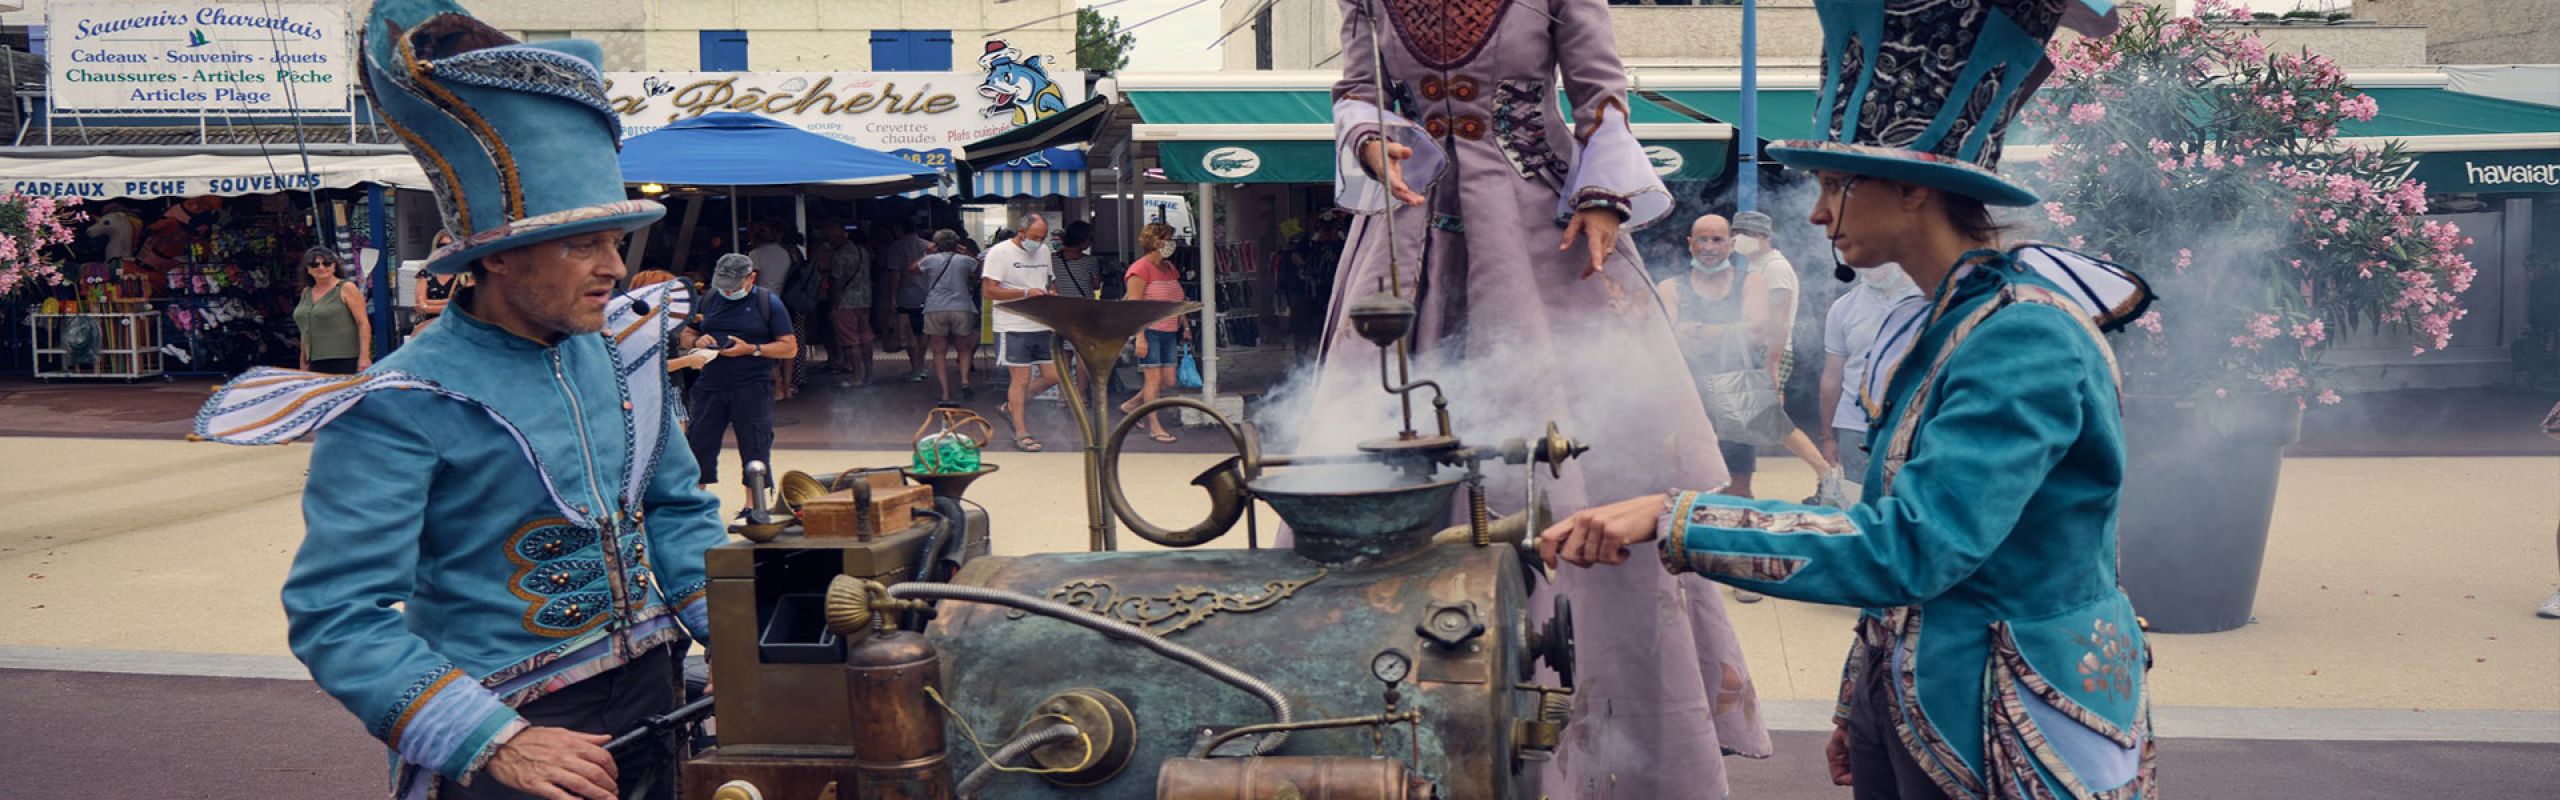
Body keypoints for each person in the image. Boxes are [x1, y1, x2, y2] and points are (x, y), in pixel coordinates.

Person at [1539, 2, 2155, 797]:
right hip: (1928, 711)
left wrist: (1675, 516)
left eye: (1837, 184)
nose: (1819, 211)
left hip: (2015, 727)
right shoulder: (1945, 321)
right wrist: (1862, 703)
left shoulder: (2024, 338)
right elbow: (1903, 552)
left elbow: (1911, 548)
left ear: (1912, 190)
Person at [190, 3, 724, 796]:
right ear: (499, 257)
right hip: (515, 731)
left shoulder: (620, 354)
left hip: (658, 698)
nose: (614, 268)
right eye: (583, 243)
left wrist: (739, 638)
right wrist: (496, 741)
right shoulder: (402, 399)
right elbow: (338, 614)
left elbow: (675, 508)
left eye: (616, 242)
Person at [1309, 0, 1770, 795]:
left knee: (1590, 460)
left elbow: (1600, 93)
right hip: (1408, 237)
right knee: (1369, 449)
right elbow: (1356, 89)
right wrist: (1370, 138)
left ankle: (1588, 742)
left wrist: (1601, 196)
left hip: (1546, 235)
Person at [685, 254, 799, 509]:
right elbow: (688, 332)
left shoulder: (768, 302)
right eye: (723, 285)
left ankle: (753, 506)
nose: (728, 291)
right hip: (710, 384)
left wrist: (752, 349)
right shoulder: (710, 298)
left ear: (751, 278)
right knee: (699, 443)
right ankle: (696, 504)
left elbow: (789, 347)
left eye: (734, 286)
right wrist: (696, 341)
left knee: (755, 444)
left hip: (753, 384)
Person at [1820, 261, 1923, 498]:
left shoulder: (1929, 301)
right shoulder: (1843, 308)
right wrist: (1828, 437)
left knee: (1909, 502)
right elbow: (1832, 375)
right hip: (1855, 427)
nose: (1873, 267)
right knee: (1861, 502)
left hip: (1912, 424)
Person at [983, 214, 1058, 451]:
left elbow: (1049, 281)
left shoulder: (1044, 251)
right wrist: (1025, 293)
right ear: (1021, 232)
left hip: (1042, 323)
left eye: (1043, 238)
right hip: (1012, 324)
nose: (1038, 242)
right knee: (1021, 379)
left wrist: (1051, 294)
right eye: (1035, 237)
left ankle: (1011, 406)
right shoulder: (999, 253)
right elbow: (989, 291)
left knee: (1053, 377)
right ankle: (1021, 432)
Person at [1119, 222, 1186, 443]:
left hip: (1169, 330)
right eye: (1168, 239)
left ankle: (1131, 406)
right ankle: (1154, 426)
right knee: (1153, 380)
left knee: (1167, 380)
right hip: (1150, 331)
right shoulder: (1139, 270)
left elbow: (1178, 299)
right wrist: (1140, 337)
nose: (1172, 244)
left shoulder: (1170, 268)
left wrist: (1185, 324)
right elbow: (1134, 307)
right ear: (1157, 242)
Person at [915, 229, 982, 403]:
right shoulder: (964, 260)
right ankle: (965, 381)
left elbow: (912, 269)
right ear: (956, 244)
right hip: (962, 307)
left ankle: (945, 393)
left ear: (936, 244)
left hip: (935, 308)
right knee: (964, 348)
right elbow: (979, 267)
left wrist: (927, 252)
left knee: (939, 351)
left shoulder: (930, 260)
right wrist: (965, 251)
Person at [293, 246, 371, 374]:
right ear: (308, 269)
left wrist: (364, 357)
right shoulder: (306, 292)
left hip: (344, 359)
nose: (321, 267)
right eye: (315, 264)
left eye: (327, 263)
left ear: (334, 266)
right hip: (314, 360)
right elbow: (305, 329)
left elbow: (363, 323)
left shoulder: (346, 288)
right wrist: (303, 360)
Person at [822, 224, 875, 385]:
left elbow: (836, 284)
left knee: (851, 341)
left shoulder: (839, 256)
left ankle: (857, 377)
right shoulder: (863, 251)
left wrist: (834, 306)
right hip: (864, 300)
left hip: (845, 302)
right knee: (866, 337)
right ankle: (869, 374)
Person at [885, 225, 933, 383]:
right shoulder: (928, 246)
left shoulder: (896, 247)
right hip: (927, 295)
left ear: (899, 229)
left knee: (909, 333)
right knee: (923, 332)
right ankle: (922, 365)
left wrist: (892, 297)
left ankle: (915, 368)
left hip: (906, 295)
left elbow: (895, 274)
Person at [413, 230, 467, 333]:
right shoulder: (425, 273)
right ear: (436, 248)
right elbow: (419, 304)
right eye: (442, 245)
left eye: (451, 245)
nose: (446, 249)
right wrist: (449, 302)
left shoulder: (464, 274)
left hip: (455, 328)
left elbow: (463, 308)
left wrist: (427, 305)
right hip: (427, 328)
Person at [1052, 220, 1103, 299]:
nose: (1092, 242)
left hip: (1061, 303)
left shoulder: (1052, 259)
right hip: (1084, 304)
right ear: (1081, 239)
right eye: (1090, 239)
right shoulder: (1091, 261)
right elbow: (1096, 286)